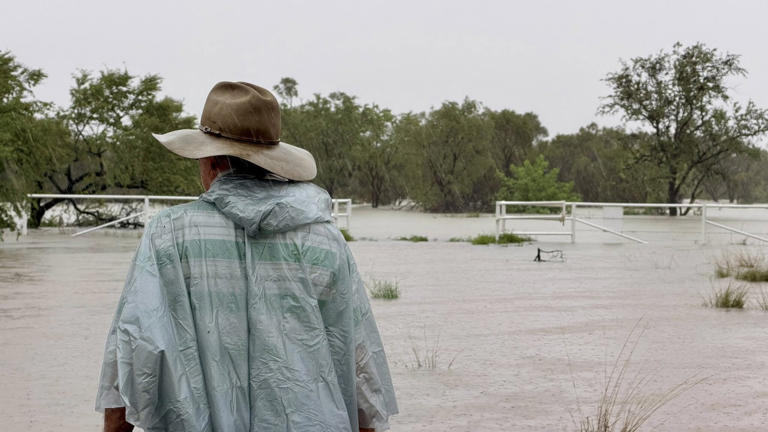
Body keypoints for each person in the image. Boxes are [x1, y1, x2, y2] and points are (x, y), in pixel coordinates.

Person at [95, 82, 398, 432]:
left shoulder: (169, 236)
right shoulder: (325, 239)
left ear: (211, 160)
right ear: (272, 163)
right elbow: (362, 367)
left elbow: (131, 355)